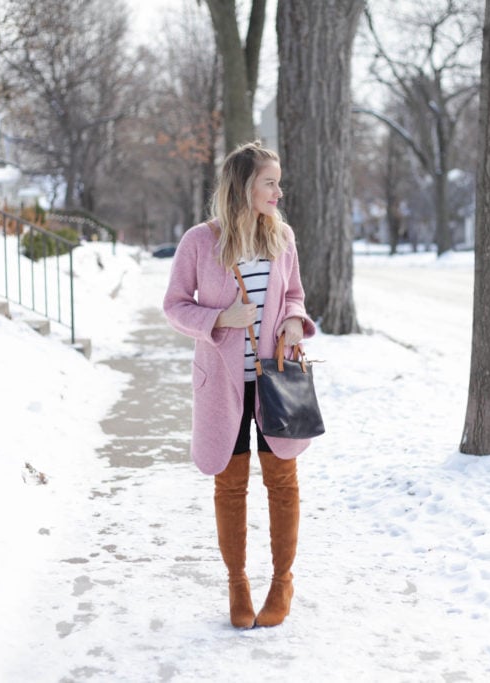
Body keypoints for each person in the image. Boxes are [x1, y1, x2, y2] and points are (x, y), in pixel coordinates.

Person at [162, 141, 317, 628]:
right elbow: (173, 306)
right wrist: (219, 318)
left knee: (282, 482)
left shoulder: (282, 237)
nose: (278, 190)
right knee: (230, 487)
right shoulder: (198, 242)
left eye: (278, 181)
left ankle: (282, 581)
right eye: (269, 181)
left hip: (275, 378)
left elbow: (293, 294)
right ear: (243, 186)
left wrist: (294, 321)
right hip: (222, 384)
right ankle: (238, 584)